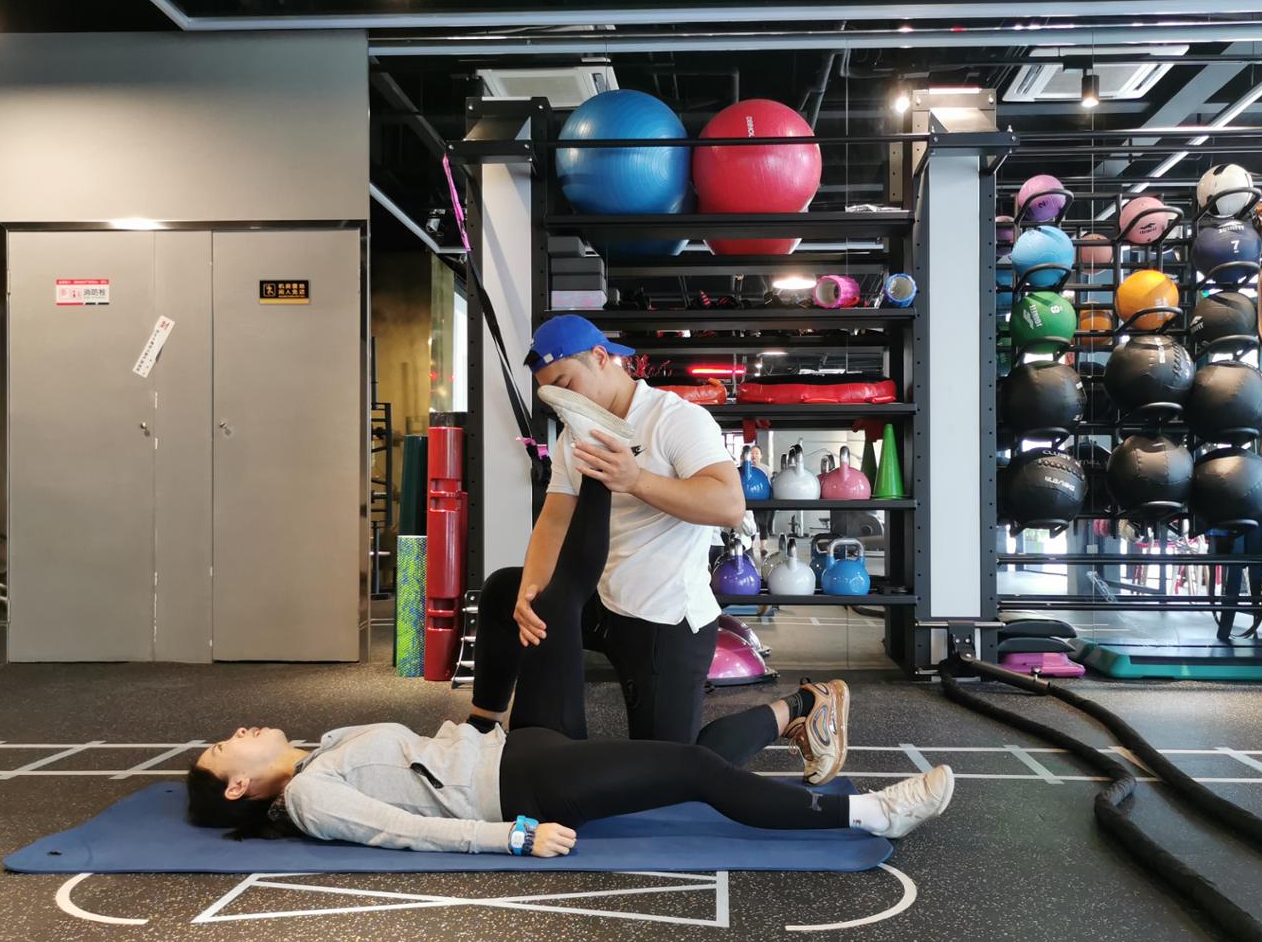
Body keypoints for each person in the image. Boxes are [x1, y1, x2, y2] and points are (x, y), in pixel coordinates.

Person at [186, 475, 954, 856]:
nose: (237, 731)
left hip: (517, 748)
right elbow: (405, 830)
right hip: (523, 788)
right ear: (237, 786)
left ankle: (592, 463)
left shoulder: (322, 750)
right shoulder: (310, 796)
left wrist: (478, 721)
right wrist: (513, 838)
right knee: (693, 770)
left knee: (548, 602)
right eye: (226, 746)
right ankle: (870, 814)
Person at [466, 312, 809, 763]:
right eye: (554, 395)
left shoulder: (675, 419)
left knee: (666, 771)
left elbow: (729, 505)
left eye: (567, 384)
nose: (564, 401)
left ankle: (800, 707)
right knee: (505, 591)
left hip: (664, 616)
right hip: (603, 602)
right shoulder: (575, 434)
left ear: (599, 357)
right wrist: (532, 592)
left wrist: (636, 480)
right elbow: (554, 520)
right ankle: (479, 733)